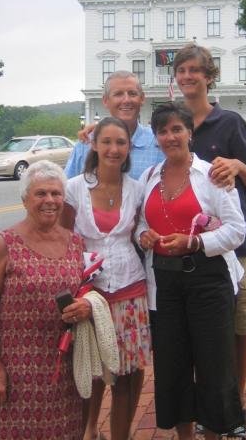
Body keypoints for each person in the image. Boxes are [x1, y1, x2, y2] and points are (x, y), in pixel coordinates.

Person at [138, 102, 246, 440]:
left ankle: (213, 433)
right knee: (172, 366)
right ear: (156, 136)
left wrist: (194, 243)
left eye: (176, 129)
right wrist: (144, 235)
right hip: (165, 284)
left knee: (214, 366)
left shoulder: (212, 176)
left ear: (189, 133)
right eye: (163, 130)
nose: (170, 136)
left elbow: (236, 230)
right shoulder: (149, 177)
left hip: (208, 279)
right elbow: (142, 222)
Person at [173, 43, 246, 439]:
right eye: (182, 70)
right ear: (175, 78)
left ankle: (235, 409)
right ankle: (209, 409)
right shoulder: (174, 126)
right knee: (204, 339)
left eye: (196, 70)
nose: (189, 76)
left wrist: (239, 164)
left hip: (235, 250)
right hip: (192, 257)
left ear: (209, 76)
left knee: (239, 330)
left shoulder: (230, 124)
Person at [0, 160, 92, 440]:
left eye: (56, 193)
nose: (49, 200)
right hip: (15, 373)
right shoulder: (4, 244)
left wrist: (87, 307)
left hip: (65, 373)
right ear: (25, 199)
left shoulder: (77, 244)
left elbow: (88, 291)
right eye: (41, 193)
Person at [62, 117, 151, 440]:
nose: (114, 149)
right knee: (92, 371)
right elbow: (64, 239)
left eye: (121, 143)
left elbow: (140, 228)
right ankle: (88, 432)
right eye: (107, 142)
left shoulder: (137, 188)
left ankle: (120, 435)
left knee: (127, 374)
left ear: (128, 148)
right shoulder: (73, 188)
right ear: (95, 145)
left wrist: (145, 236)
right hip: (91, 294)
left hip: (131, 289)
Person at [64, 70, 164, 181]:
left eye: (132, 93)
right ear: (106, 100)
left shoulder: (159, 143)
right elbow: (65, 190)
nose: (126, 100)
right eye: (118, 94)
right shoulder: (86, 143)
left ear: (142, 99)